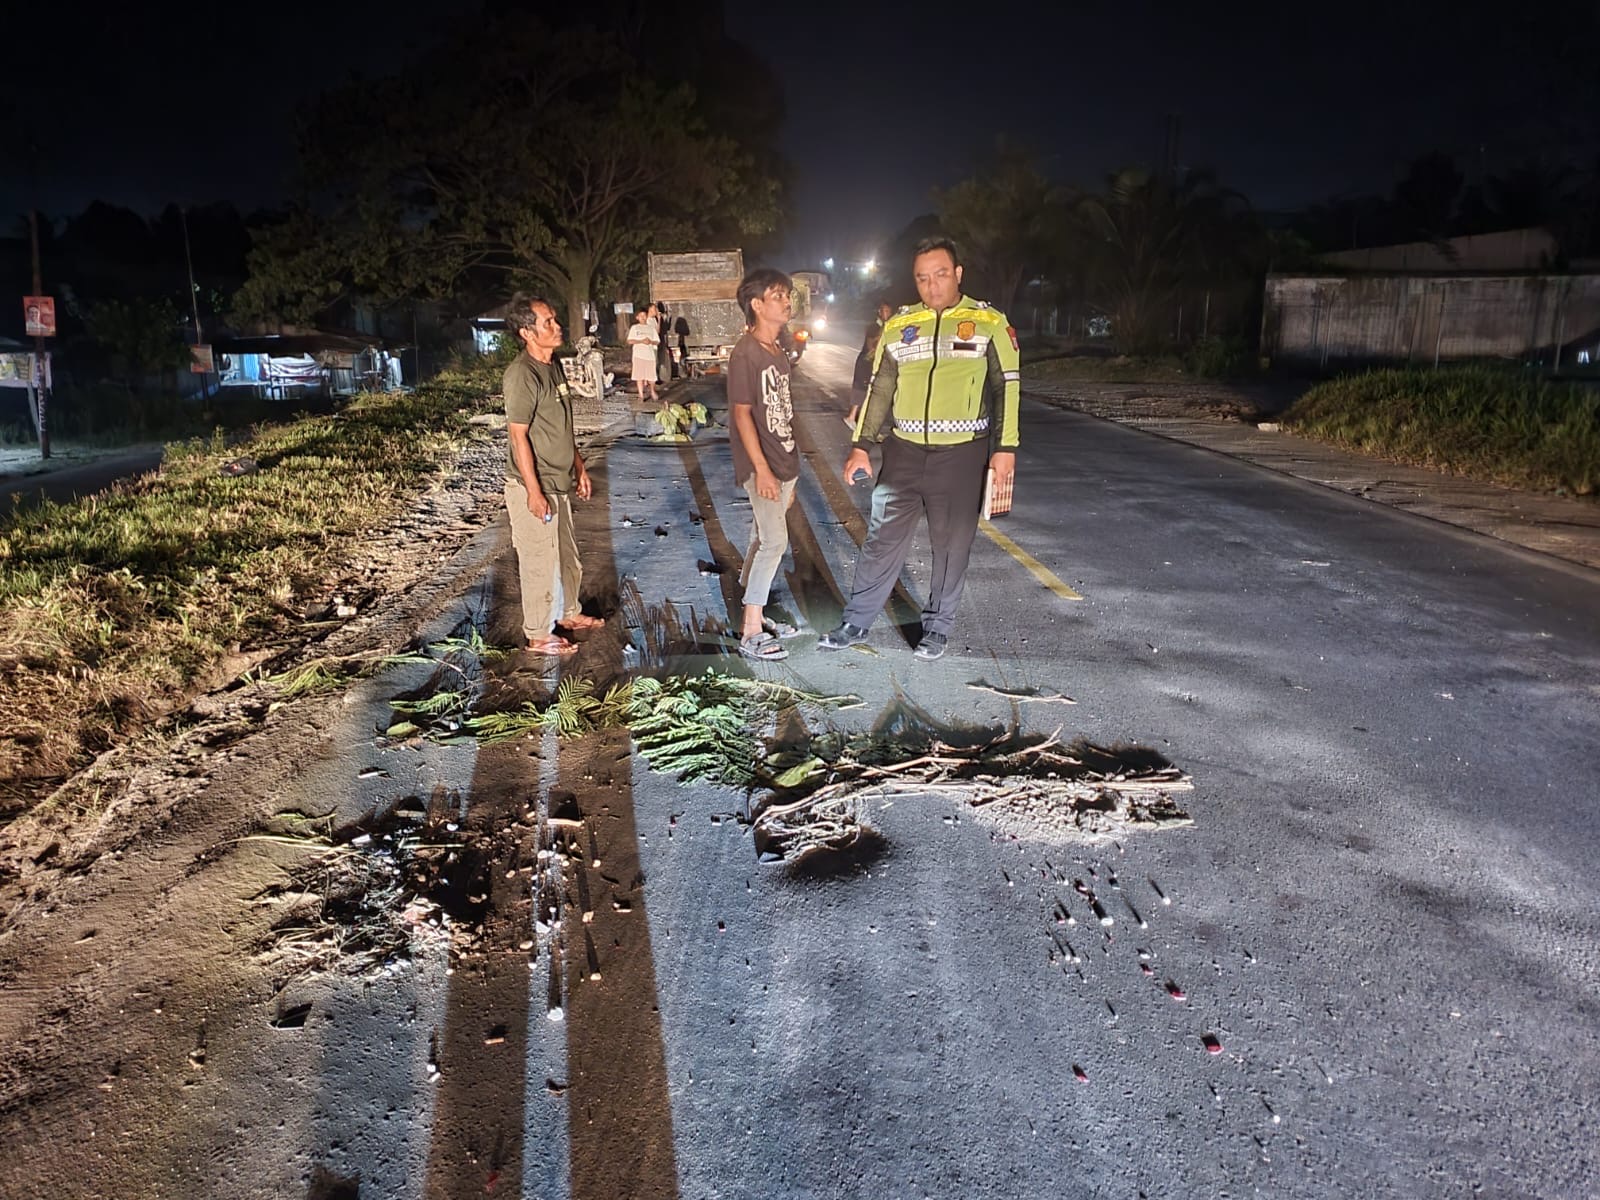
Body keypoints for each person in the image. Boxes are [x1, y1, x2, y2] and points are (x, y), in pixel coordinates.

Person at [819, 237, 1021, 661]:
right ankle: (856, 621)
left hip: (962, 455)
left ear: (958, 273)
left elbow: (1007, 387)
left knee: (951, 545)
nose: (932, 285)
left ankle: (937, 629)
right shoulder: (900, 325)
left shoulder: (989, 323)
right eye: (923, 278)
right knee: (882, 540)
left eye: (941, 275)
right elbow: (880, 389)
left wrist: (1005, 448)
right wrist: (861, 446)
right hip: (903, 453)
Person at [502, 293, 605, 656]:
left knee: (566, 555)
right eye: (548, 322)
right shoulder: (522, 375)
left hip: (559, 481)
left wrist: (579, 467)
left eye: (555, 319)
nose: (557, 327)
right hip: (536, 485)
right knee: (538, 561)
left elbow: (562, 426)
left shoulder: (553, 364)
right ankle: (537, 634)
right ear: (527, 332)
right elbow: (518, 436)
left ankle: (568, 613)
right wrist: (533, 491)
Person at [726, 267, 802, 661]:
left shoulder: (777, 350)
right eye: (778, 295)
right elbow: (741, 415)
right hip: (763, 465)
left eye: (787, 294)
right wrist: (763, 469)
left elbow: (783, 413)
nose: (787, 301)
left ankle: (751, 607)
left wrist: (790, 469)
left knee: (763, 536)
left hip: (783, 460)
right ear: (756, 304)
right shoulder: (747, 352)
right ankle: (751, 629)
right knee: (775, 541)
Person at [627, 308, 660, 405]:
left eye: (644, 315)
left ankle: (652, 391)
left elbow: (657, 341)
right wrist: (641, 341)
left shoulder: (651, 328)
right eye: (640, 316)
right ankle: (641, 395)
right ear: (637, 317)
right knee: (639, 376)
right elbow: (630, 341)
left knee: (652, 376)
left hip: (650, 355)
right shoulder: (634, 328)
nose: (643, 317)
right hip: (638, 355)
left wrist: (651, 342)